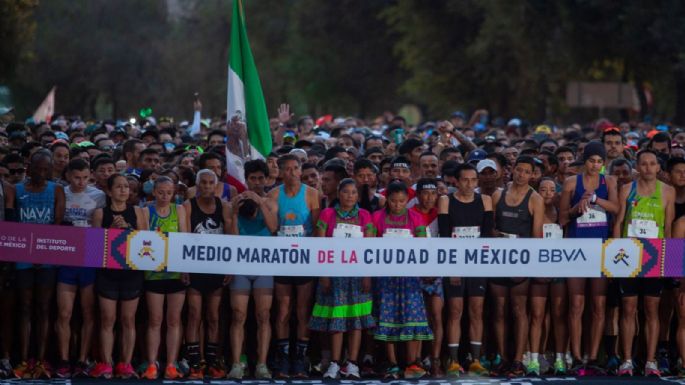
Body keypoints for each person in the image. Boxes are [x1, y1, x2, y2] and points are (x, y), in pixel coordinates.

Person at [613, 149, 675, 377]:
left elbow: (668, 228)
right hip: (629, 254)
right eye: (644, 164)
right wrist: (617, 253)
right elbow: (619, 222)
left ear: (658, 168)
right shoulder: (627, 189)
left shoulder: (667, 191)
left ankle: (651, 361)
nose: (648, 168)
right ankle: (627, 361)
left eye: (652, 164)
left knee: (652, 310)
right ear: (638, 167)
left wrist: (669, 260)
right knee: (628, 309)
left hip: (654, 256)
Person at [559, 141, 619, 375]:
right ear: (585, 161)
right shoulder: (571, 182)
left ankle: (593, 357)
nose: (596, 165)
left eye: (600, 162)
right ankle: (576, 356)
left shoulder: (609, 181)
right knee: (575, 305)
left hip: (601, 249)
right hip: (576, 248)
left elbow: (615, 208)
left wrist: (594, 200)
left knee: (599, 305)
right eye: (592, 161)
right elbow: (562, 218)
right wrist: (577, 208)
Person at [310, 179, 375, 379]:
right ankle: (334, 363)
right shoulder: (327, 214)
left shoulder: (365, 215)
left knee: (355, 322)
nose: (349, 196)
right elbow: (319, 246)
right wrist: (324, 274)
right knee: (336, 322)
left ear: (358, 195)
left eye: (353, 192)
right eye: (345, 192)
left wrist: (367, 275)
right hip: (334, 276)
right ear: (339, 193)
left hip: (357, 277)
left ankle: (352, 363)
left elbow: (370, 249)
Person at [370, 181, 432, 379]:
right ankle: (393, 363)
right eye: (394, 201)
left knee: (413, 317)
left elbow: (423, 246)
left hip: (410, 277)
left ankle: (413, 362)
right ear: (387, 199)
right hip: (386, 277)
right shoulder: (377, 217)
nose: (397, 205)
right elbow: (368, 245)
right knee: (388, 318)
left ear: (407, 200)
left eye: (402, 201)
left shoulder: (416, 217)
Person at [13, 150, 65, 379]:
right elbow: (13, 223)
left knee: (44, 308)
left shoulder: (57, 190)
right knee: (24, 308)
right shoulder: (18, 190)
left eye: (47, 169)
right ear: (30, 167)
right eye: (38, 168)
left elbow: (57, 223)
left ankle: (42, 360)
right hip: (23, 254)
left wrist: (42, 250)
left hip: (47, 254)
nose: (42, 173)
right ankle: (24, 359)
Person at [90, 174, 148, 379]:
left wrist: (130, 230)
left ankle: (126, 363)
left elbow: (147, 242)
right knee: (107, 319)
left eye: (127, 187)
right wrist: (111, 231)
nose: (124, 190)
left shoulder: (138, 211)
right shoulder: (99, 213)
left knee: (128, 319)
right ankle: (106, 363)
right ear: (109, 190)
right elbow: (94, 249)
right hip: (107, 273)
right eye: (119, 187)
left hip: (131, 272)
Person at [490, 155, 544, 377]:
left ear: (532, 175)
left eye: (526, 171)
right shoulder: (498, 194)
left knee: (519, 310)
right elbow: (490, 227)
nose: (521, 175)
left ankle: (517, 361)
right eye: (518, 170)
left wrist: (528, 264)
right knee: (499, 311)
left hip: (521, 260)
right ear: (512, 170)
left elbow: (537, 236)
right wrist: (496, 237)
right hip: (497, 259)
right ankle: (503, 358)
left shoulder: (535, 198)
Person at [267, 154, 320, 378]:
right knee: (283, 310)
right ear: (279, 172)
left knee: (302, 310)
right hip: (282, 258)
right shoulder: (273, 194)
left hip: (304, 259)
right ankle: (283, 356)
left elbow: (317, 227)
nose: (290, 173)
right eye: (286, 169)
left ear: (300, 170)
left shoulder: (311, 194)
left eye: (294, 169)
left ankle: (300, 358)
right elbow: (271, 228)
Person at [437, 163, 493, 377]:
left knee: (477, 310)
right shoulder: (446, 201)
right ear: (457, 181)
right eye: (465, 180)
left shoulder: (485, 200)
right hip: (454, 263)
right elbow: (444, 237)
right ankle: (453, 360)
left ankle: (476, 360)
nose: (470, 184)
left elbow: (487, 236)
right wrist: (453, 268)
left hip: (478, 263)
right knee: (454, 311)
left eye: (473, 180)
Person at [55, 159, 106, 378]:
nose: (81, 182)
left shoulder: (98, 196)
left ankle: (83, 359)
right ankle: (64, 359)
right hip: (65, 258)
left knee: (87, 312)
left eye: (85, 177)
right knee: (64, 313)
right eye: (77, 177)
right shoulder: (60, 193)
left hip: (89, 257)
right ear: (68, 176)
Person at [227, 160, 278, 379]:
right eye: (253, 178)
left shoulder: (271, 202)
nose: (257, 182)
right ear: (246, 180)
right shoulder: (234, 202)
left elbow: (273, 228)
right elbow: (231, 238)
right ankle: (237, 363)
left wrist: (260, 202)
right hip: (240, 264)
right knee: (238, 315)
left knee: (263, 315)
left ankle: (262, 364)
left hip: (263, 265)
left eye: (260, 178)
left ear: (267, 179)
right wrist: (235, 215)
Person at [182, 169, 232, 380]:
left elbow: (232, 238)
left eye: (211, 183)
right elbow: (182, 237)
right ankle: (195, 361)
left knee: (213, 316)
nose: (207, 186)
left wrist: (230, 266)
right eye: (203, 182)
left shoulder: (224, 206)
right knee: (194, 315)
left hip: (217, 268)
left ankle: (212, 360)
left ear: (216, 185)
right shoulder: (187, 205)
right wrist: (183, 267)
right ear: (197, 184)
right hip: (194, 268)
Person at [140, 176, 188, 380]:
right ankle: (152, 363)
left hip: (176, 271)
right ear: (154, 192)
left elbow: (185, 238)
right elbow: (141, 239)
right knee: (155, 319)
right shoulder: (145, 211)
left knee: (174, 320)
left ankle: (171, 363)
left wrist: (186, 268)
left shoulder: (179, 210)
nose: (165, 196)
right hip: (153, 272)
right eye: (161, 192)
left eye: (169, 193)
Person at [528, 177, 567, 376]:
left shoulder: (562, 213)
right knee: (537, 315)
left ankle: (560, 358)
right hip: (538, 268)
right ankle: (534, 359)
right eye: (543, 189)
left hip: (559, 269)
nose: (548, 193)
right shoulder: (533, 211)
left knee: (559, 315)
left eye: (552, 189)